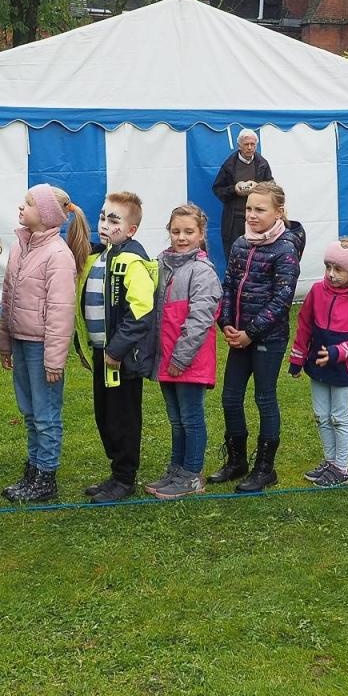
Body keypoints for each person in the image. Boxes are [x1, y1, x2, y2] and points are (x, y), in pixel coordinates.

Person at [0, 184, 88, 504]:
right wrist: (5, 342)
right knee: (29, 411)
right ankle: (33, 470)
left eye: (29, 204)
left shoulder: (58, 255)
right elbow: (8, 298)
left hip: (41, 347)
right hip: (22, 342)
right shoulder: (21, 245)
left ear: (47, 215)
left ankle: (46, 476)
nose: (22, 208)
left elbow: (61, 312)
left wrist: (54, 359)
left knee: (46, 413)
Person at [211, 181, 303, 493]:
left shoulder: (285, 248)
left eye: (259, 210)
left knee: (264, 398)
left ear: (278, 213)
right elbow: (229, 285)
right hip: (237, 335)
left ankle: (265, 468)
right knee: (230, 398)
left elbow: (282, 300)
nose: (251, 215)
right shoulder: (240, 244)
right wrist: (225, 321)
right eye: (248, 208)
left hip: (267, 339)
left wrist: (251, 333)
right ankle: (237, 461)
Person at [73, 191, 156, 504]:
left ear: (131, 230)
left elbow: (141, 310)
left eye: (114, 220)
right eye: (103, 217)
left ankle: (125, 477)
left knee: (123, 416)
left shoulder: (132, 261)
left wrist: (117, 350)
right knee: (104, 414)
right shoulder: (99, 256)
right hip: (101, 354)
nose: (105, 224)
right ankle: (116, 470)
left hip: (121, 358)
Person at [146, 204, 222, 500]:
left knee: (191, 418)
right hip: (167, 359)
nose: (181, 237)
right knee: (176, 420)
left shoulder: (202, 272)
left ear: (201, 234)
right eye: (176, 231)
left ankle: (192, 474)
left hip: (188, 361)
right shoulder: (162, 265)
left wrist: (180, 357)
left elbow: (200, 320)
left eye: (189, 232)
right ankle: (176, 470)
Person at [288, 239, 348, 487]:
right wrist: (297, 357)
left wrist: (338, 352)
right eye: (328, 268)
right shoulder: (316, 291)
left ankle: (342, 468)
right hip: (318, 364)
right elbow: (304, 325)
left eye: (339, 269)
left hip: (342, 367)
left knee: (339, 417)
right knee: (321, 415)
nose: (332, 275)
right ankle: (330, 461)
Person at [211, 128, 273, 266]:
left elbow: (272, 187)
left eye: (253, 144)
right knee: (235, 258)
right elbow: (217, 189)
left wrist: (257, 186)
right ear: (239, 145)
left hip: (258, 218)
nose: (250, 148)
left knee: (258, 257)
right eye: (246, 144)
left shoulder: (262, 163)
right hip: (235, 220)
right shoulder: (229, 165)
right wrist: (235, 189)